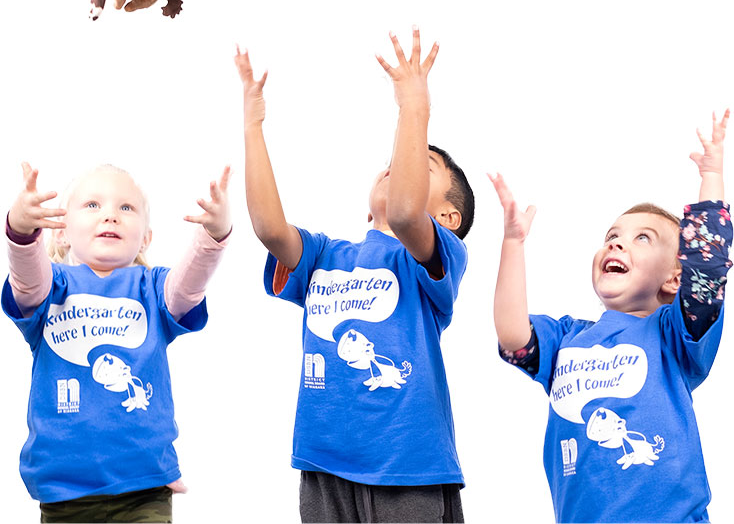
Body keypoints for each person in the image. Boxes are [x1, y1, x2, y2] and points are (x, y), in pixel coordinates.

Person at [236, 27, 475, 523]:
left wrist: (414, 109)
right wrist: (252, 127)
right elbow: (268, 228)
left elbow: (409, 215)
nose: (396, 167)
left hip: (408, 470)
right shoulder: (325, 255)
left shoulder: (434, 255)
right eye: (392, 162)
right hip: (324, 465)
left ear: (448, 218)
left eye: (419, 165)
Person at [490, 110, 732, 523]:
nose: (617, 245)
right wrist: (513, 243)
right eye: (612, 238)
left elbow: (707, 266)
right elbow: (513, 336)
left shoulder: (673, 333)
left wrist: (711, 176)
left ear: (675, 277)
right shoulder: (566, 338)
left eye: (641, 238)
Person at [3, 162, 231, 523]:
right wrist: (20, 230)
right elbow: (28, 283)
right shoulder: (54, 285)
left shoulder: (152, 288)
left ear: (145, 239)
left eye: (126, 208)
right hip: (64, 492)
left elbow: (187, 289)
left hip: (145, 490)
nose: (110, 215)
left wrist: (212, 238)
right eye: (92, 205)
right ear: (60, 231)